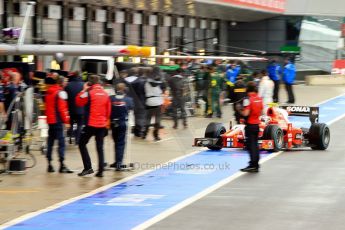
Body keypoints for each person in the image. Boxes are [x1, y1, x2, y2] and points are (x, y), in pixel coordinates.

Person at [76, 75, 111, 177]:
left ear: (89, 83)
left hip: (90, 124)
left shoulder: (88, 93)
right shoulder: (105, 94)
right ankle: (100, 171)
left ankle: (88, 167)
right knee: (100, 147)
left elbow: (78, 102)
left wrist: (84, 89)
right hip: (102, 124)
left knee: (82, 143)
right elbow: (108, 111)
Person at [44, 73, 73, 173]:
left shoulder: (49, 91)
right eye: (65, 81)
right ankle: (62, 165)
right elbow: (62, 109)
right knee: (61, 143)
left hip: (50, 121)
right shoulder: (60, 93)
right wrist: (67, 121)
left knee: (50, 143)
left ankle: (49, 164)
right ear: (61, 83)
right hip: (58, 121)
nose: (66, 83)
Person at [237, 81, 263, 173]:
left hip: (250, 125)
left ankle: (253, 165)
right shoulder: (259, 98)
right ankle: (255, 164)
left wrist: (239, 109)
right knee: (255, 145)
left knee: (250, 145)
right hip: (257, 125)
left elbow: (246, 113)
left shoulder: (248, 99)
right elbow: (261, 111)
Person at [109, 83, 133, 170]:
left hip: (113, 123)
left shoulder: (111, 98)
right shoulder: (128, 99)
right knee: (120, 143)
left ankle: (117, 161)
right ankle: (119, 163)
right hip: (122, 123)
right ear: (124, 89)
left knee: (116, 143)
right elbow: (130, 109)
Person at [143, 67, 165, 141]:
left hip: (149, 101)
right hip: (158, 101)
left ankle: (144, 134)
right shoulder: (161, 82)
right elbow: (163, 89)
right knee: (157, 119)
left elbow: (143, 91)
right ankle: (156, 136)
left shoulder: (146, 81)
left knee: (147, 119)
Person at [124, 68, 146, 137]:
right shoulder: (141, 81)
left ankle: (124, 130)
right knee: (139, 116)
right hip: (138, 101)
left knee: (125, 115)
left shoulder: (124, 80)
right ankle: (138, 131)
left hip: (126, 100)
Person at [64, 71, 84, 145]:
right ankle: (77, 140)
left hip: (71, 109)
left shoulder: (68, 85)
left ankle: (70, 137)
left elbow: (65, 97)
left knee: (71, 123)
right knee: (79, 124)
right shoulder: (83, 85)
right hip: (80, 109)